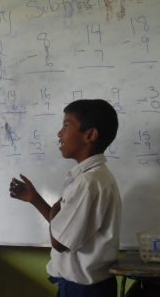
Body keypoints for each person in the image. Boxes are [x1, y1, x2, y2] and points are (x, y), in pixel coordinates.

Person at [9, 99, 121, 297]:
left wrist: (55, 207)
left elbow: (60, 242)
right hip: (82, 287)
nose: (59, 134)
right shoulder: (88, 178)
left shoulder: (88, 182)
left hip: (85, 291)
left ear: (90, 135)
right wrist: (36, 199)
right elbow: (65, 229)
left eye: (66, 126)